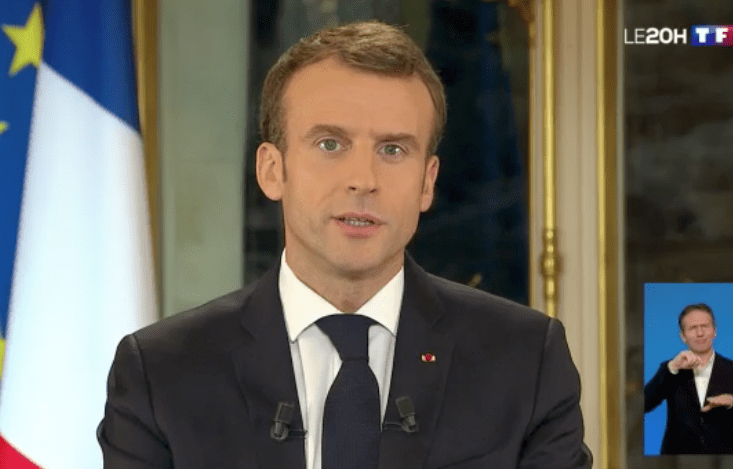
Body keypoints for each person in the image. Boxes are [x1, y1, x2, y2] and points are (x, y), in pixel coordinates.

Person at [98, 21, 591, 468]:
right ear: (272, 170)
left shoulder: (525, 361)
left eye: (393, 149)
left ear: (427, 182)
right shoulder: (162, 372)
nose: (363, 179)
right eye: (330, 144)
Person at [644, 303, 733, 454]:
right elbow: (644, 404)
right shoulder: (670, 369)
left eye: (705, 326)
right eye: (693, 328)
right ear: (683, 336)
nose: (700, 333)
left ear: (714, 331)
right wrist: (673, 367)